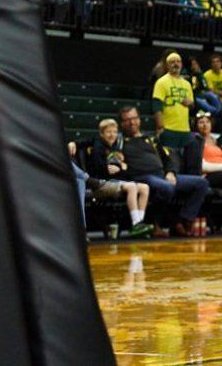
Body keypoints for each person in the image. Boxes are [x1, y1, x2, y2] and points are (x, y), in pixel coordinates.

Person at [118, 106, 209, 236]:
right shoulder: (120, 142)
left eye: (134, 118)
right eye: (127, 120)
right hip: (142, 177)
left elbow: (169, 158)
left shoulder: (152, 139)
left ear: (139, 119)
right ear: (122, 123)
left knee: (202, 183)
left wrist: (171, 172)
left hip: (162, 175)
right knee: (166, 188)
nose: (132, 123)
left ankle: (184, 219)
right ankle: (153, 224)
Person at [74, 125, 153, 237]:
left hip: (117, 181)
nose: (112, 135)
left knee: (145, 187)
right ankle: (136, 224)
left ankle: (140, 224)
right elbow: (99, 169)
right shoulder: (98, 146)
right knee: (132, 187)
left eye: (115, 132)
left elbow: (124, 170)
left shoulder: (116, 148)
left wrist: (120, 168)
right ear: (101, 133)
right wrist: (109, 168)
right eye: (108, 132)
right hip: (101, 183)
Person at [152, 53, 195, 150]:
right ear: (167, 65)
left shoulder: (187, 84)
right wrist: (160, 127)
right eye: (172, 62)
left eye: (178, 61)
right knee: (171, 162)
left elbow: (192, 105)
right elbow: (156, 106)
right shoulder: (161, 82)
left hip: (185, 130)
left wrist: (190, 103)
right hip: (168, 129)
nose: (176, 64)